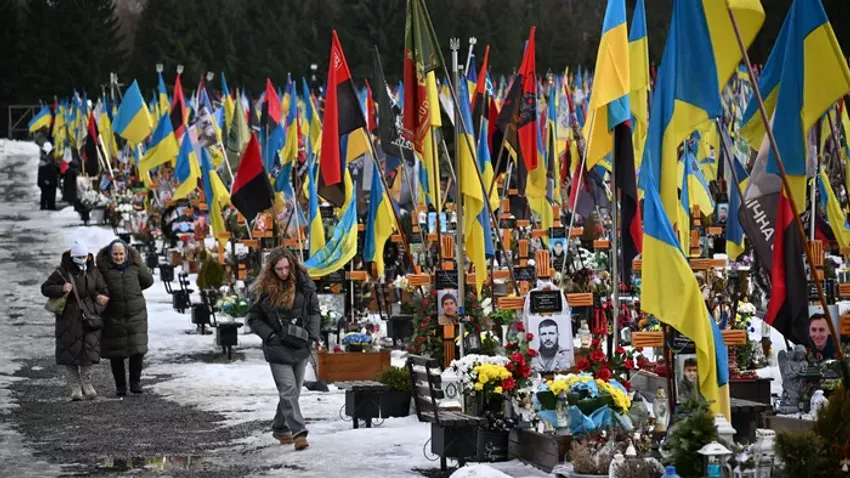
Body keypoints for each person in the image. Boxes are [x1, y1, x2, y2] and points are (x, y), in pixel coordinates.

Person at [246, 247, 320, 451]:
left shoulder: (304, 284)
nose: (284, 272)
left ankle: (280, 427)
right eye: (279, 269)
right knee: (288, 390)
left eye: (287, 267)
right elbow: (253, 318)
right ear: (272, 269)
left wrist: (312, 336)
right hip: (277, 346)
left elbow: (314, 311)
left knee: (293, 393)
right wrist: (269, 336)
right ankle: (299, 433)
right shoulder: (263, 289)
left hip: (300, 343)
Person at [41, 242, 109, 401]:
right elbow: (45, 288)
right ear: (72, 257)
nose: (82, 259)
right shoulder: (62, 272)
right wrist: (61, 289)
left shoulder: (93, 271)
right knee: (69, 352)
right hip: (68, 318)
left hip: (89, 317)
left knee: (88, 350)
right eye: (78, 257)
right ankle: (75, 386)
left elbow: (103, 290)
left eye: (84, 257)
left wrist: (98, 301)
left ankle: (87, 382)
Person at [96, 239, 154, 396]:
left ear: (126, 253)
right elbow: (95, 286)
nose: (119, 257)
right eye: (115, 254)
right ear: (110, 254)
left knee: (137, 350)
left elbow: (148, 281)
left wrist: (132, 290)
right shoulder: (102, 269)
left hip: (136, 313)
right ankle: (120, 386)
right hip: (113, 315)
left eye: (121, 254)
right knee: (116, 353)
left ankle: (135, 383)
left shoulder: (135, 265)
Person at [37, 143, 59, 210]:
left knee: (50, 193)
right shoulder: (45, 161)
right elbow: (43, 172)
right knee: (46, 193)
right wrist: (45, 180)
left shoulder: (49, 160)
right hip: (46, 180)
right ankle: (46, 205)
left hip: (51, 179)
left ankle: (50, 205)